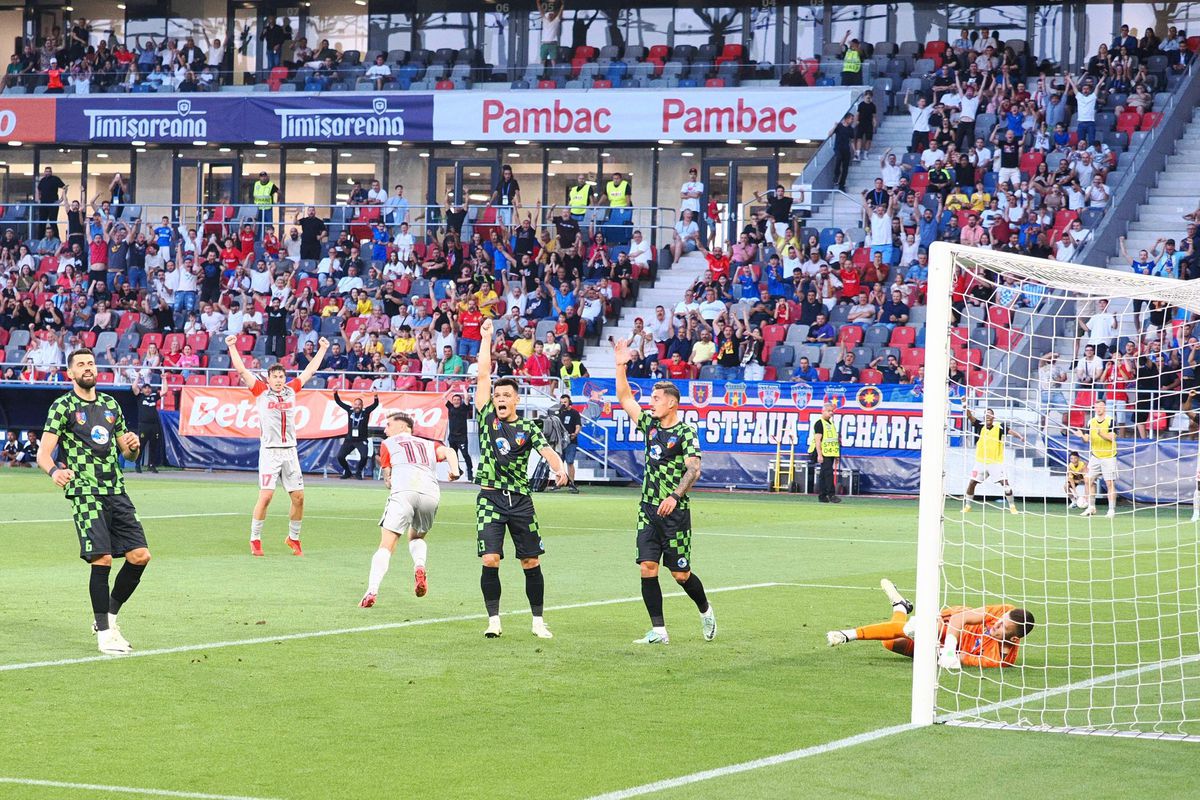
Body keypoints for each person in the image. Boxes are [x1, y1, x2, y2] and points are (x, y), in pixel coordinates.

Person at [38, 347, 150, 655]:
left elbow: (126, 451)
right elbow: (43, 453)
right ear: (70, 373)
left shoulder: (111, 404)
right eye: (81, 365)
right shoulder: (63, 406)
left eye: (90, 363)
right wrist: (54, 472)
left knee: (140, 556)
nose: (88, 368)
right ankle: (104, 636)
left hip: (116, 488)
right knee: (101, 559)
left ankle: (108, 618)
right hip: (85, 492)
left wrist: (133, 447)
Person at [613, 339, 715, 645]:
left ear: (672, 402)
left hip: (675, 514)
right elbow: (624, 397)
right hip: (648, 509)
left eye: (656, 398)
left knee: (680, 575)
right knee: (647, 568)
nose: (651, 402)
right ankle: (659, 630)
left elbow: (693, 469)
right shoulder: (649, 426)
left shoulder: (685, 432)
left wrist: (675, 496)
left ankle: (705, 609)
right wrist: (621, 364)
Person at [474, 318, 567, 639]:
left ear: (516, 399)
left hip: (521, 502)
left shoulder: (528, 428)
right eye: (497, 394)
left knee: (529, 562)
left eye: (505, 395)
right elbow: (484, 374)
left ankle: (538, 621)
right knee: (490, 558)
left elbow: (547, 452)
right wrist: (486, 338)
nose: (499, 398)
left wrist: (559, 468)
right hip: (490, 498)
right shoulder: (486, 417)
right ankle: (493, 620)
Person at [226, 333, 330, 556]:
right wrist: (232, 347)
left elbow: (310, 371)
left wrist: (322, 349)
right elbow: (242, 371)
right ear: (268, 378)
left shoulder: (291, 390)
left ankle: (293, 538)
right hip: (270, 453)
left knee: (299, 498)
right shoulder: (261, 392)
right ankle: (255, 539)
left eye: (281, 376)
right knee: (266, 496)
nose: (279, 380)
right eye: (275, 376)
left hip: (290, 452)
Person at [360, 411, 461, 608]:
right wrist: (455, 471)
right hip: (430, 494)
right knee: (416, 537)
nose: (385, 429)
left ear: (403, 427)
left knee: (387, 544)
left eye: (389, 424)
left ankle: (371, 590)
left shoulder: (388, 443)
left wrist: (389, 479)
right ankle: (420, 566)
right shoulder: (428, 444)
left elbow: (388, 479)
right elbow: (449, 452)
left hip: (404, 492)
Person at [826, 578, 1035, 670]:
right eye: (1000, 621)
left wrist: (941, 651)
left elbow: (958, 658)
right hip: (949, 625)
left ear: (1014, 638)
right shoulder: (1003, 611)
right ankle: (847, 634)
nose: (996, 625)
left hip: (944, 649)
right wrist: (949, 646)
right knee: (925, 629)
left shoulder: (997, 660)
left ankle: (900, 606)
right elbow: (959, 620)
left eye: (1002, 628)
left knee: (890, 643)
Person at [962, 406, 1024, 515]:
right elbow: (970, 417)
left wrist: (1020, 437)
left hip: (995, 463)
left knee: (1005, 484)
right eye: (986, 414)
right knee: (972, 483)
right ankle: (967, 506)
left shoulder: (1000, 426)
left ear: (993, 417)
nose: (988, 416)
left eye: (990, 414)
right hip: (980, 462)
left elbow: (1010, 431)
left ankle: (1012, 507)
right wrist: (966, 407)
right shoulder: (979, 425)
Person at [1071, 399, 1117, 518]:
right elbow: (1086, 439)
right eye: (1096, 407)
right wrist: (1081, 436)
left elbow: (1112, 437)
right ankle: (1091, 507)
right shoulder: (1091, 422)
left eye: (1100, 407)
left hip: (1109, 456)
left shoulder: (1110, 421)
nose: (1098, 409)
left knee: (1109, 483)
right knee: (1088, 480)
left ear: (1105, 407)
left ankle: (1111, 510)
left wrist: (1101, 434)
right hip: (1095, 456)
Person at [333, 390, 380, 480]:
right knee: (340, 456)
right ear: (353, 405)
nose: (357, 406)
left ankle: (358, 472)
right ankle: (347, 472)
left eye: (359, 404)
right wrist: (335, 393)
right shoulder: (350, 410)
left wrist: (375, 396)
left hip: (361, 440)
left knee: (364, 456)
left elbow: (375, 405)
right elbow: (339, 402)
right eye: (356, 404)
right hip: (349, 439)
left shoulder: (365, 412)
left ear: (362, 406)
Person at [809, 402, 841, 503]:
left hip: (830, 453)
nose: (831, 413)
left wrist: (836, 455)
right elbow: (818, 440)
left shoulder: (831, 424)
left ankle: (822, 496)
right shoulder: (819, 423)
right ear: (823, 411)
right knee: (828, 474)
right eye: (829, 411)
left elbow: (834, 441)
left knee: (823, 475)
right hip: (822, 452)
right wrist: (819, 454)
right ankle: (831, 495)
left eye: (832, 411)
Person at [551, 393, 582, 494]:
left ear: (569, 403)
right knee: (558, 463)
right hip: (559, 442)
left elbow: (578, 426)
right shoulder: (557, 413)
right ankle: (558, 483)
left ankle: (571, 484)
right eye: (561, 402)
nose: (563, 404)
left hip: (571, 441)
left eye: (565, 402)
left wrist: (575, 433)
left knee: (570, 462)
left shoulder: (574, 413)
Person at [134, 375, 165, 473]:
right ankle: (137, 464)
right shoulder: (140, 397)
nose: (147, 390)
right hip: (144, 425)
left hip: (154, 425)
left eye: (149, 388)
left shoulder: (154, 397)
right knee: (141, 445)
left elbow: (164, 391)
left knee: (153, 445)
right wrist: (137, 377)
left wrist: (164, 379)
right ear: (142, 390)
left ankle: (151, 465)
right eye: (145, 388)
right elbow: (134, 387)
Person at [444, 392, 473, 482]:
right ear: (452, 401)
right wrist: (451, 389)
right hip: (452, 437)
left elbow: (467, 399)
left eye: (458, 400)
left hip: (462, 437)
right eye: (454, 400)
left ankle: (470, 473)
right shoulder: (450, 407)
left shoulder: (463, 408)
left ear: (460, 401)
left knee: (465, 454)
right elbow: (443, 397)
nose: (456, 401)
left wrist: (464, 389)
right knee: (453, 456)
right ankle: (458, 470)